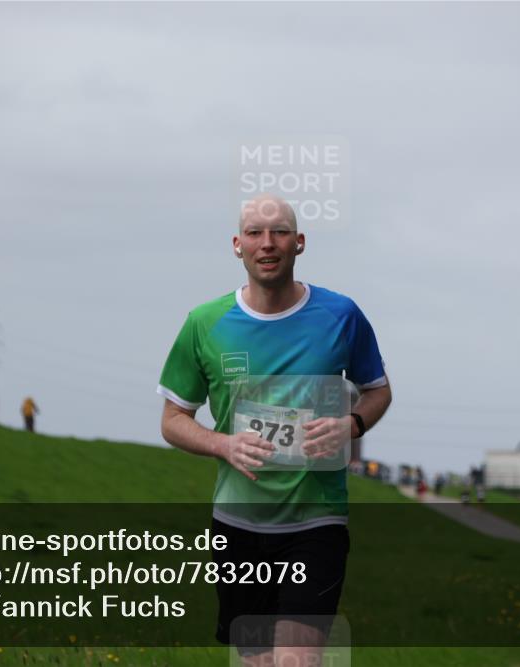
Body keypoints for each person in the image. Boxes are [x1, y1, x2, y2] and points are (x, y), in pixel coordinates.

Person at [156, 194, 392, 666]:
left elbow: (378, 390)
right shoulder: (206, 323)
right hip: (238, 524)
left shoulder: (340, 315)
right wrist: (223, 444)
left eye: (280, 232)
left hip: (317, 519)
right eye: (255, 234)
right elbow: (172, 421)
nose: (268, 243)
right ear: (237, 245)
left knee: (296, 659)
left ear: (299, 243)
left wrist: (352, 424)